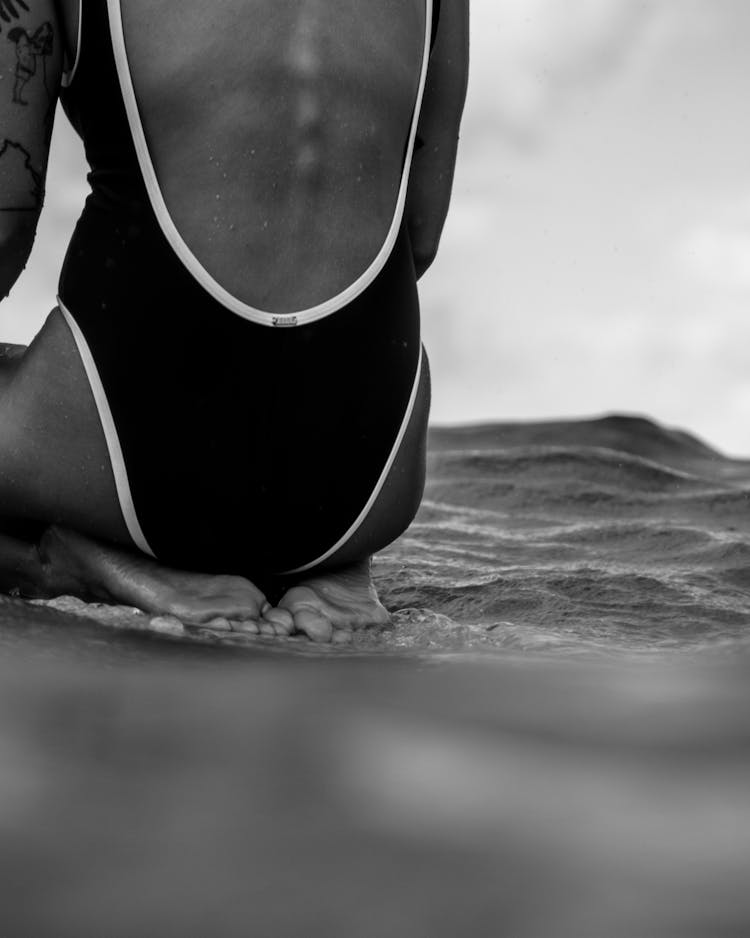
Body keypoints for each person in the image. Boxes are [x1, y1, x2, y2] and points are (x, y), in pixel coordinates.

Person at [0, 0, 468, 642]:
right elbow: (420, 234)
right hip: (362, 479)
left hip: (123, 460)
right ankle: (328, 566)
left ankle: (75, 562)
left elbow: (1, 237)